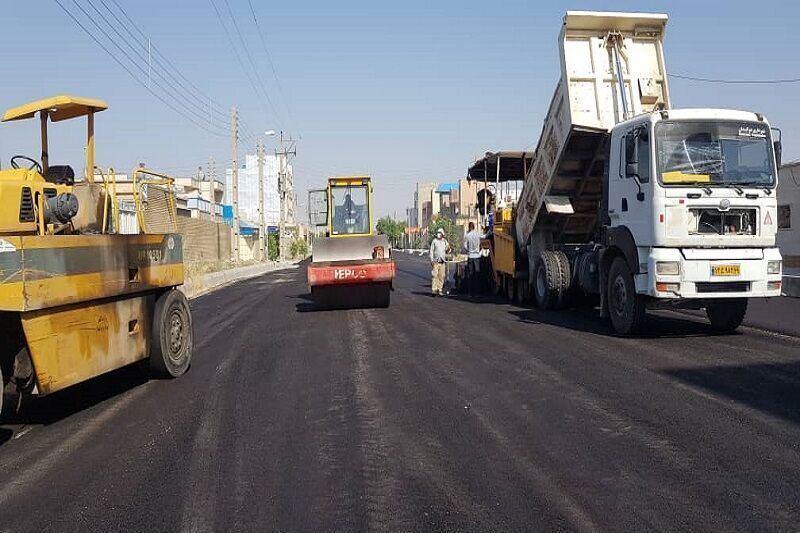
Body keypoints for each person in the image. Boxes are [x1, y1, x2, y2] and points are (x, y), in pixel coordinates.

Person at [463, 221, 481, 296]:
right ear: (474, 227)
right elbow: (485, 236)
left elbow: (464, 245)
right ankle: (477, 292)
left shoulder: (467, 236)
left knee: (470, 274)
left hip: (470, 256)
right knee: (477, 274)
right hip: (477, 256)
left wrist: (468, 250)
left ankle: (470, 292)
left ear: (469, 227)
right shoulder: (478, 234)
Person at [429, 228, 448, 296]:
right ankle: (434, 290)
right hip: (436, 262)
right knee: (434, 276)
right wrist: (431, 260)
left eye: (440, 232)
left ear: (443, 234)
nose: (439, 234)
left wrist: (449, 248)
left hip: (442, 261)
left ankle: (440, 290)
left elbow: (447, 249)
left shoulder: (445, 241)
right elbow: (431, 251)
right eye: (438, 232)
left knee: (442, 276)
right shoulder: (434, 241)